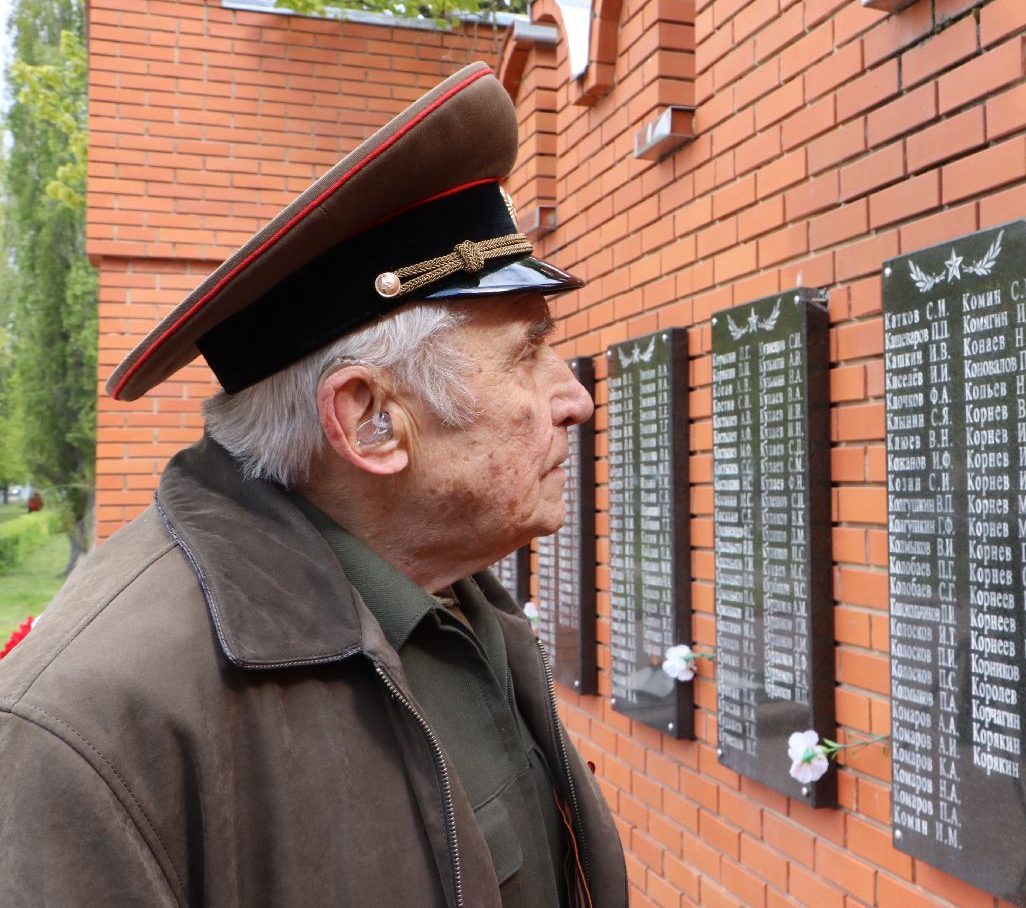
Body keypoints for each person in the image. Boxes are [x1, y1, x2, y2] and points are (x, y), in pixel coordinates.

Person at [0, 64, 627, 907]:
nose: (576, 399)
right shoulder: (91, 730)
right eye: (525, 353)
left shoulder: (445, 595)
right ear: (369, 421)